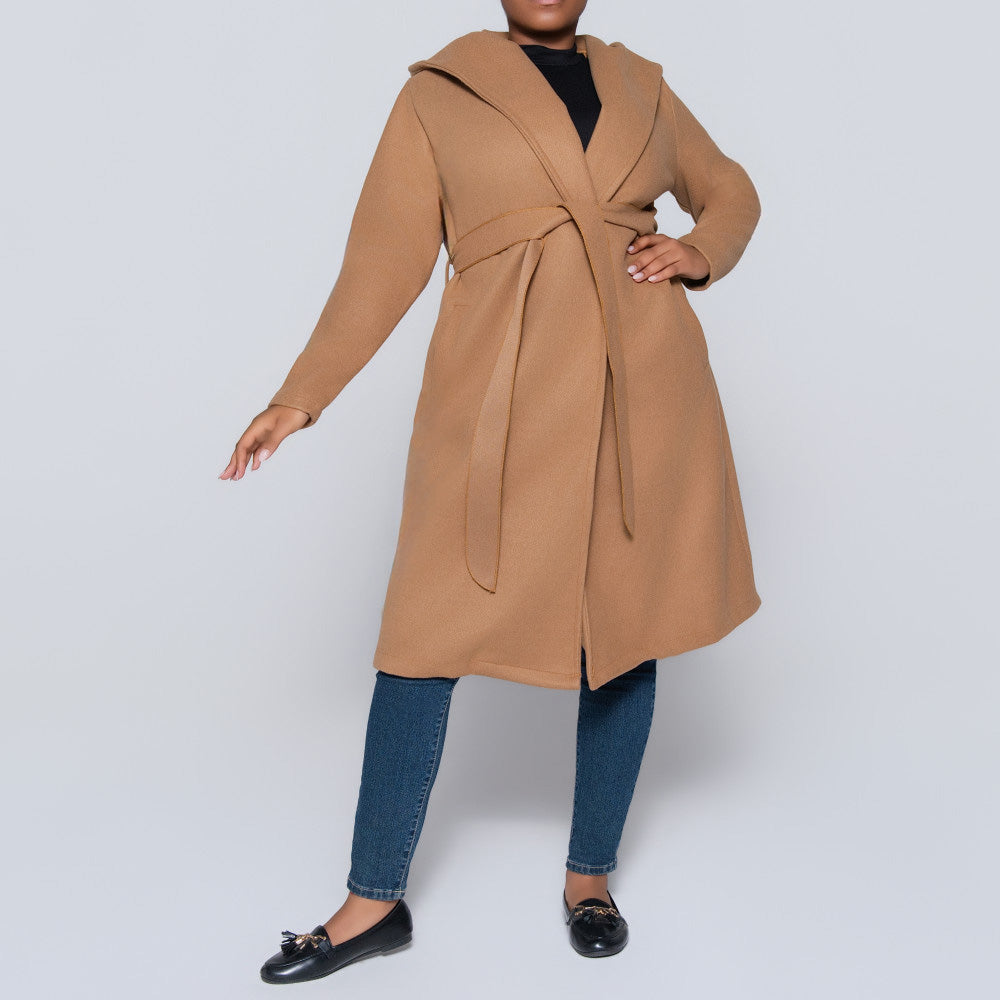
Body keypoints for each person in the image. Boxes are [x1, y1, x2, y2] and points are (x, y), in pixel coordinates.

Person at [220, 0, 762, 985]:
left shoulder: (641, 83)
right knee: (421, 636)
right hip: (497, 402)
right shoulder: (441, 91)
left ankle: (589, 877)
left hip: (641, 393)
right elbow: (383, 260)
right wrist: (300, 396)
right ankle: (373, 900)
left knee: (624, 628)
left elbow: (729, 190)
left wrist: (702, 249)